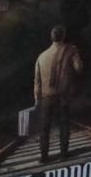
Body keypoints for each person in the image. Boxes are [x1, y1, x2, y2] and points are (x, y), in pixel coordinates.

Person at [34, 25, 83, 162]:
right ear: (63, 36)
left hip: (46, 96)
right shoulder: (71, 49)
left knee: (44, 127)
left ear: (51, 37)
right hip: (63, 95)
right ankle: (63, 154)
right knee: (64, 124)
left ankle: (44, 157)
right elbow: (79, 68)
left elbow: (37, 81)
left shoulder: (41, 56)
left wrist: (37, 99)